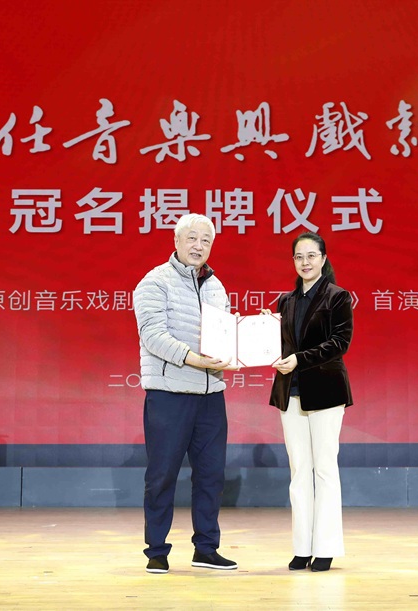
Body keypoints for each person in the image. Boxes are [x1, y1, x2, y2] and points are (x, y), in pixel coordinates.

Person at [133, 213, 238, 575]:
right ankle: (156, 550)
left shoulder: (216, 286)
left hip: (211, 396)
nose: (198, 245)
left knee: (211, 475)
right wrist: (196, 360)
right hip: (170, 394)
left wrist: (241, 346)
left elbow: (223, 336)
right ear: (176, 241)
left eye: (206, 240)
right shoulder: (154, 281)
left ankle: (206, 549)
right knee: (162, 475)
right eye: (192, 238)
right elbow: (153, 336)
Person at [264, 231, 353, 573]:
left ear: (323, 259)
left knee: (324, 469)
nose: (305, 262)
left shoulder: (337, 297)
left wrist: (300, 359)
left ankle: (326, 547)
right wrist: (261, 334)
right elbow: (277, 345)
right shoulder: (285, 301)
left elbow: (340, 342)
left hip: (326, 392)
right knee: (299, 470)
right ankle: (302, 547)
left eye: (311, 255)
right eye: (299, 257)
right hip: (291, 393)